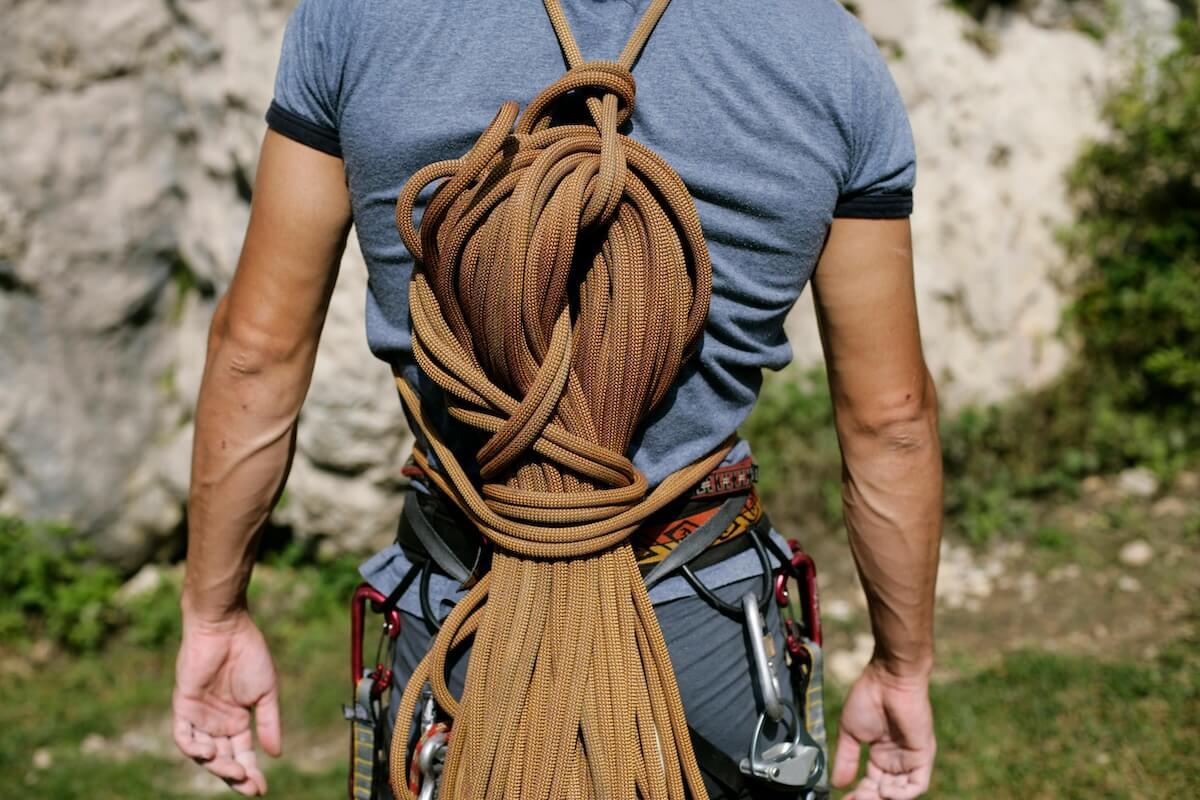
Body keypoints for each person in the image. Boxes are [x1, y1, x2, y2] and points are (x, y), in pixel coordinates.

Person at [170, 1, 942, 798]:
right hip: (699, 632)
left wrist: (214, 614)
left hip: (461, 628)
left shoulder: (360, 18)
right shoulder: (827, 53)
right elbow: (890, 421)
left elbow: (257, 353)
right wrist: (902, 665)